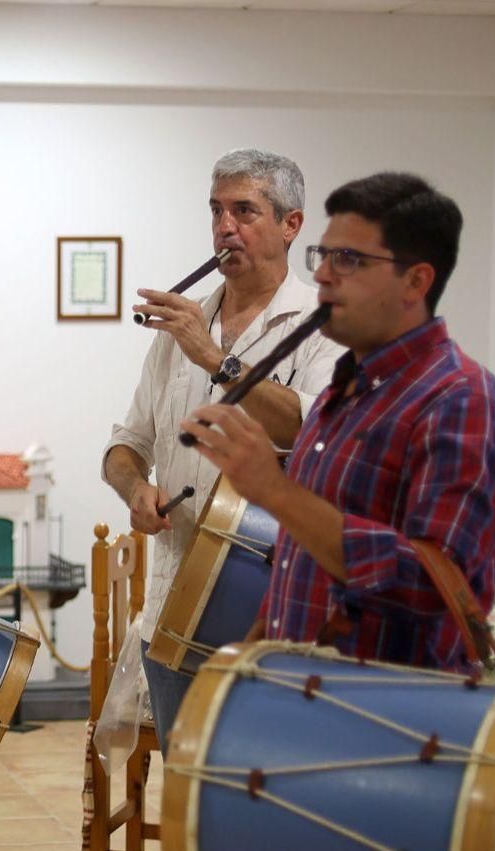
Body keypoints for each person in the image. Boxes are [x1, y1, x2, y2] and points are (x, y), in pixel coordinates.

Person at [181, 172, 495, 671]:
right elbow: (302, 560)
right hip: (298, 705)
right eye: (323, 256)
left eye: (349, 260)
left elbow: (435, 591)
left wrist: (275, 491)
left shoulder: (462, 402)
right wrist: (247, 660)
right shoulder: (342, 393)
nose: (321, 276)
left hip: (387, 724)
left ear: (415, 281)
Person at [101, 149, 343, 727]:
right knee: (187, 789)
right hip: (175, 599)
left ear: (292, 224)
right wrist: (135, 489)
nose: (224, 228)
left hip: (274, 603)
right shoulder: (181, 330)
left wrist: (215, 358)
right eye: (216, 211)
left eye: (244, 211)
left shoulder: (325, 325)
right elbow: (125, 443)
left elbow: (316, 429)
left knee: (265, 787)